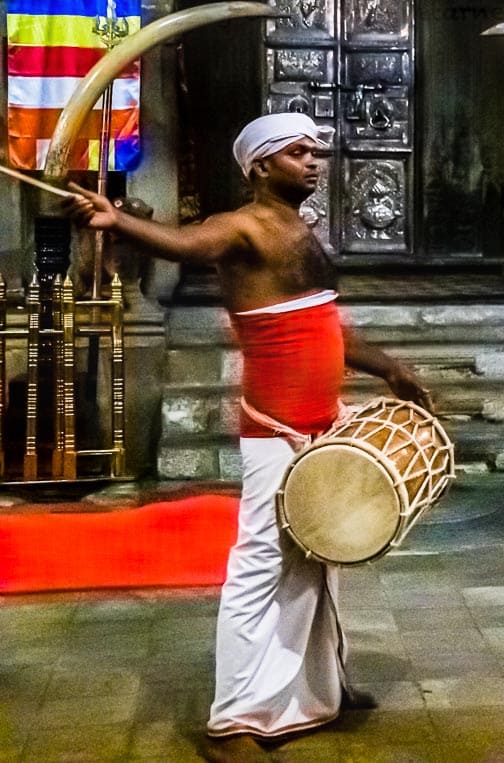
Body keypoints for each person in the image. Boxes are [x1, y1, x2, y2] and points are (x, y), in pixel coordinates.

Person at [66, 113, 434, 759]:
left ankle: (321, 686)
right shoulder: (241, 226)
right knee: (259, 566)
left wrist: (391, 368)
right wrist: (118, 220)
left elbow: (327, 327)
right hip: (276, 429)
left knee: (324, 555)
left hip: (323, 420)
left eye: (315, 151)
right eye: (298, 152)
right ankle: (232, 718)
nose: (314, 160)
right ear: (261, 165)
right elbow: (184, 243)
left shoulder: (300, 229)